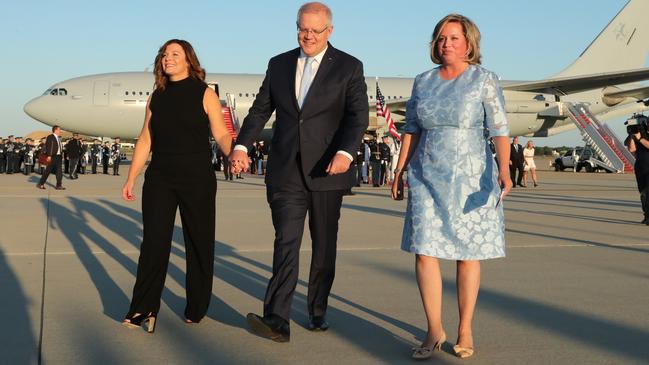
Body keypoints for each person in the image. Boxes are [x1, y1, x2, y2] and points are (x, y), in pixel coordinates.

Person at [229, 2, 368, 342]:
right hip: (287, 169)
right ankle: (277, 319)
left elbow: (357, 117)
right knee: (286, 242)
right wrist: (242, 146)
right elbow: (261, 110)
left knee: (323, 247)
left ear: (329, 31)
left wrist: (345, 153)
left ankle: (317, 309)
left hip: (327, 171)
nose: (307, 35)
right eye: (302, 28)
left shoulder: (348, 67)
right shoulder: (279, 64)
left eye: (315, 31)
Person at [391, 14, 511, 359]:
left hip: (471, 176)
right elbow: (411, 128)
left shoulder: (483, 80)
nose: (447, 44)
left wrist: (504, 169)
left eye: (454, 38)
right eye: (441, 38)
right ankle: (433, 328)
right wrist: (400, 171)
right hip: (426, 173)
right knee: (425, 251)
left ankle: (465, 327)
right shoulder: (423, 81)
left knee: (466, 253)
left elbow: (499, 129)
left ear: (469, 43)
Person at [121, 39, 233, 333]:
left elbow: (220, 132)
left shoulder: (205, 93)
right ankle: (143, 308)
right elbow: (145, 139)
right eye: (164, 54)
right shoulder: (156, 96)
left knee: (199, 242)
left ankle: (196, 306)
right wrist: (132, 176)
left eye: (175, 54)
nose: (167, 59)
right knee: (154, 244)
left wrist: (232, 152)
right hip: (160, 178)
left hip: (197, 178)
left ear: (188, 60)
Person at [625, 115, 649, 225]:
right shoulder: (640, 132)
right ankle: (646, 215)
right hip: (641, 168)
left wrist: (640, 139)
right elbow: (631, 149)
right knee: (643, 193)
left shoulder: (643, 136)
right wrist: (632, 136)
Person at [37, 126, 66, 190]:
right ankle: (41, 184)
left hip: (59, 157)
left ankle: (58, 185)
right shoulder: (50, 137)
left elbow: (59, 147)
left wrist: (61, 154)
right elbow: (49, 146)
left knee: (59, 171)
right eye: (59, 130)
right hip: (52, 157)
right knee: (47, 171)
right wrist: (49, 155)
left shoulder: (58, 138)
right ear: (55, 130)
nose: (60, 131)